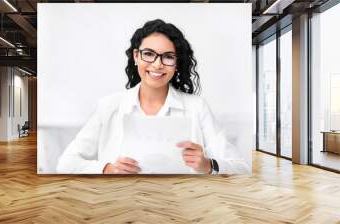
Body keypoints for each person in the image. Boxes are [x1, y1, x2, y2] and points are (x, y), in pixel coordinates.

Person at [57, 19, 249, 175]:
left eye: (168, 56)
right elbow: (66, 163)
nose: (157, 65)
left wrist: (209, 165)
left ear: (176, 62)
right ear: (136, 56)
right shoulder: (109, 106)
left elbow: (241, 167)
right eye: (149, 54)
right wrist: (108, 169)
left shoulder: (197, 107)